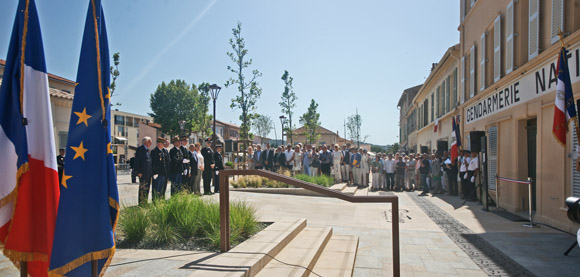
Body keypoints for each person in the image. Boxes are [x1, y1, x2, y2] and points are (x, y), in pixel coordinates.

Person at [135, 137, 153, 205]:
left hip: (148, 173)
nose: (151, 143)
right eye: (150, 142)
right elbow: (137, 161)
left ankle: (145, 201)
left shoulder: (147, 150)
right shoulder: (140, 149)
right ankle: (141, 203)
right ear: (145, 142)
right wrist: (139, 172)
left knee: (147, 188)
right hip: (142, 173)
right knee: (142, 188)